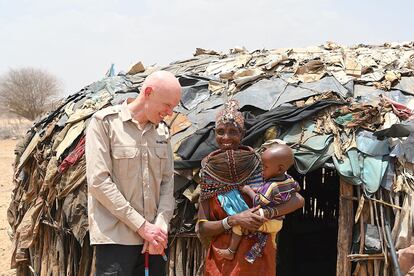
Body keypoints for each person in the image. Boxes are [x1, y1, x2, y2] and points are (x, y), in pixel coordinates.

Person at [85, 70, 182, 275]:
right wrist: (141, 227)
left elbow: (167, 183)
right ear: (148, 92)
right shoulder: (105, 123)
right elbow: (99, 182)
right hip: (116, 240)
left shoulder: (162, 132)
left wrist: (160, 227)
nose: (170, 112)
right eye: (167, 105)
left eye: (173, 107)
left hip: (154, 240)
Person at [197, 99, 304, 276]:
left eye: (233, 131)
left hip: (257, 258)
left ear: (243, 133)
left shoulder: (260, 165)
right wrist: (233, 220)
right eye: (221, 132)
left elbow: (298, 200)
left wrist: (265, 214)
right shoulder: (209, 171)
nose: (226, 137)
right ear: (214, 134)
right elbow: (202, 227)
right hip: (223, 261)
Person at [214, 143, 301, 262]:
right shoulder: (289, 179)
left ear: (280, 168)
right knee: (271, 243)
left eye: (265, 167)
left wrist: (249, 190)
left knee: (241, 222)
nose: (262, 171)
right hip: (278, 222)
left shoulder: (271, 186)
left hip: (269, 219)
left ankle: (231, 251)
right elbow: (296, 188)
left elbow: (259, 201)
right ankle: (272, 248)